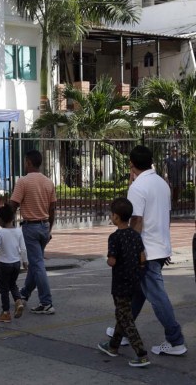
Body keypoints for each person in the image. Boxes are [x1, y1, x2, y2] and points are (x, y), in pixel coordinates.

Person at [106, 145, 187, 356]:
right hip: (159, 246)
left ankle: (175, 340)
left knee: (157, 296)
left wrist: (128, 251)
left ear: (131, 163)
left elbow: (136, 220)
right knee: (137, 294)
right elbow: (164, 216)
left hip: (145, 251)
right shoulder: (162, 183)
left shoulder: (138, 187)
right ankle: (121, 333)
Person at [97, 197, 150, 368]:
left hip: (120, 283)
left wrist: (110, 260)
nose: (111, 217)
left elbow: (112, 261)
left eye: (112, 215)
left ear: (117, 217)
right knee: (122, 313)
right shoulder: (135, 235)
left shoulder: (114, 237)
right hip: (134, 281)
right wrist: (140, 270)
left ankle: (141, 353)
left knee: (125, 317)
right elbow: (143, 257)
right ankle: (113, 346)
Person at [5, 149, 56, 315]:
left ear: (28, 162)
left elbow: (13, 204)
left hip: (30, 227)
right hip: (44, 226)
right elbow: (52, 208)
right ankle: (25, 293)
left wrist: (3, 221)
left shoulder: (23, 182)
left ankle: (46, 302)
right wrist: (50, 227)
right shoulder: (48, 182)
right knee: (36, 262)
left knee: (37, 264)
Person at [0, 204, 27, 323]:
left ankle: (6, 312)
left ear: (1, 220)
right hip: (16, 263)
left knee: (4, 289)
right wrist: (25, 261)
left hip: (5, 264)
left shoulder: (1, 233)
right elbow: (23, 248)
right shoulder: (18, 231)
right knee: (13, 285)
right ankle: (18, 301)